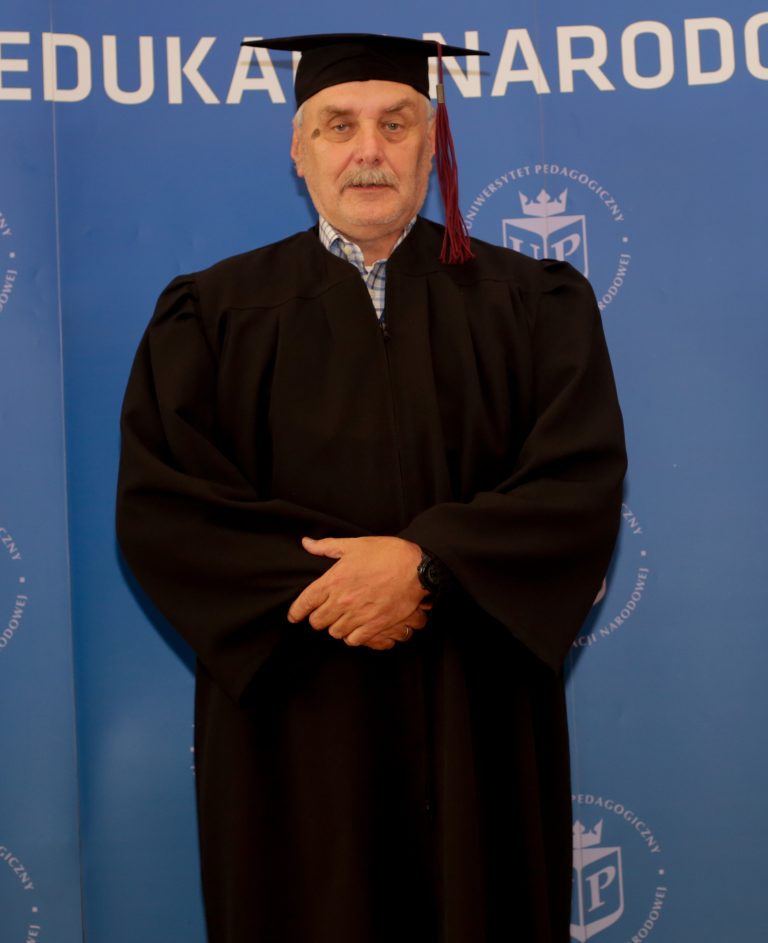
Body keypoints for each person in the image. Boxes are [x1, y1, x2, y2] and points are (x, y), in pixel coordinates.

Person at [116, 33, 626, 943]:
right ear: (298, 149)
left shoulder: (534, 303)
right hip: (293, 715)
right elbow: (168, 508)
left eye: (396, 124)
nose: (369, 151)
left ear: (434, 145)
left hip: (479, 710)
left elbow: (574, 481)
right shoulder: (214, 314)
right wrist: (344, 589)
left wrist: (429, 565)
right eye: (338, 125)